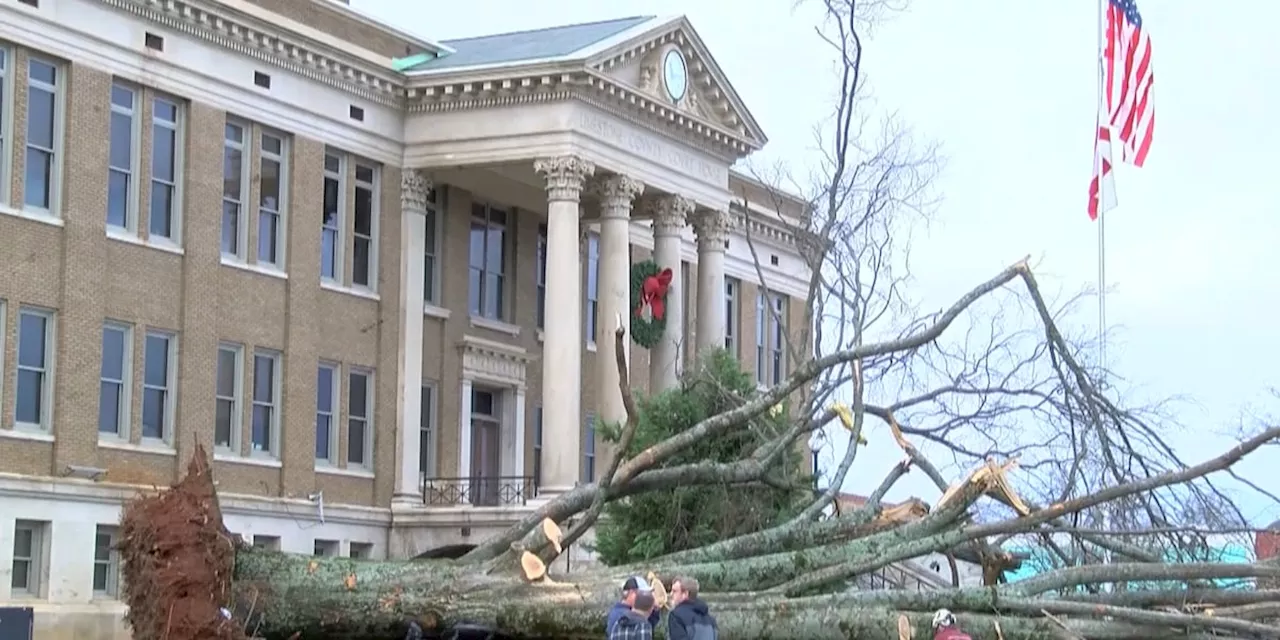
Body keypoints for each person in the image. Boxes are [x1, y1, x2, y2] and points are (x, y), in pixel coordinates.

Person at [667, 575, 717, 640]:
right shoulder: (711, 620)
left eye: (674, 591)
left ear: (685, 594)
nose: (671, 594)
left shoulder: (676, 615)